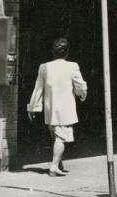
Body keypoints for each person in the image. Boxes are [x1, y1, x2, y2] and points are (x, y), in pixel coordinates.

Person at [27, 37, 87, 177]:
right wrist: (82, 95)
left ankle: (58, 163)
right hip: (66, 108)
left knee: (55, 135)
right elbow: (80, 86)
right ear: (67, 52)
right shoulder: (72, 66)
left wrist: (32, 107)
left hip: (50, 107)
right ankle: (54, 166)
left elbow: (38, 88)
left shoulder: (44, 67)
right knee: (61, 138)